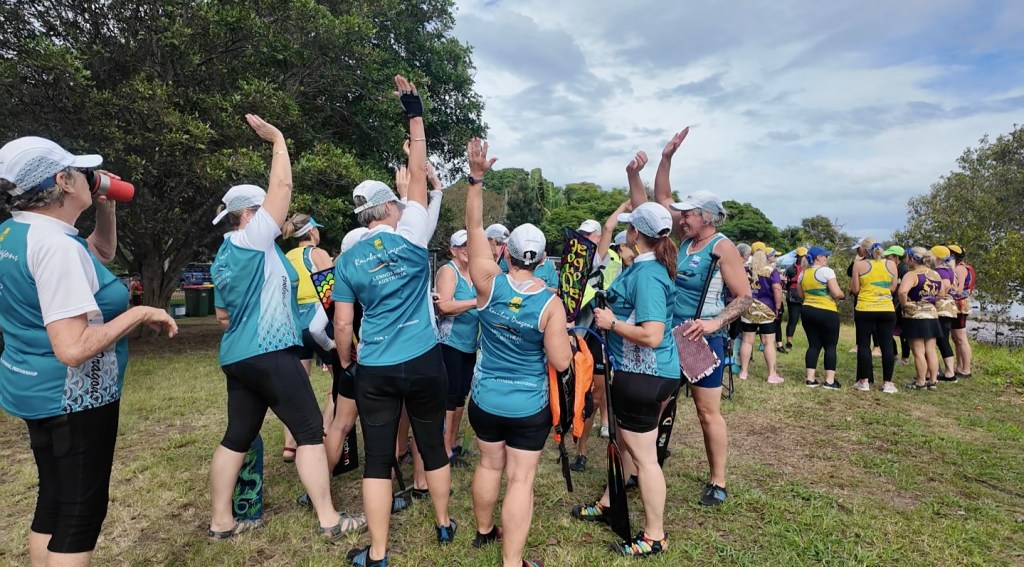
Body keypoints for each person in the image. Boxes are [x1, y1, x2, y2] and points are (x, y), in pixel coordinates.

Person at [0, 136, 178, 567]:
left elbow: (97, 254)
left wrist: (105, 207)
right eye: (81, 173)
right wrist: (139, 315)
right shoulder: (55, 247)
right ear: (63, 181)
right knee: (80, 511)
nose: (91, 179)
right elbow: (73, 348)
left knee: (54, 498)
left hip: (31, 386)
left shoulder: (19, 231)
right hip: (73, 398)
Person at [207, 115, 362, 541]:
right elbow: (283, 190)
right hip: (271, 352)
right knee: (311, 432)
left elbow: (221, 317)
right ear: (252, 215)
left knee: (237, 436)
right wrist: (277, 140)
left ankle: (221, 522)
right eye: (264, 213)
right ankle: (329, 518)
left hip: (237, 356)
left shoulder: (223, 256)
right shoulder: (252, 239)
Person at [332, 76, 454, 567]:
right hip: (424, 358)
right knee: (433, 443)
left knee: (379, 458)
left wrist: (347, 359)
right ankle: (444, 525)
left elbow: (343, 326)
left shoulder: (346, 257)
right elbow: (421, 173)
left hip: (377, 365)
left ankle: (379, 552)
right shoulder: (413, 235)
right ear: (389, 206)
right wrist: (415, 113)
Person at [462, 138, 572, 567]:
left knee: (489, 465)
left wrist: (477, 179)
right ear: (544, 258)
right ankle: (512, 563)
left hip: (485, 399)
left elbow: (473, 229)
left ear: (504, 252)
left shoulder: (488, 282)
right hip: (529, 405)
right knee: (520, 478)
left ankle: (484, 531)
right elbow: (561, 362)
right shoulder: (550, 303)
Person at [630, 129, 753, 507]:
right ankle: (644, 468)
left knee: (706, 412)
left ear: (707, 217)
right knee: (657, 403)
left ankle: (718, 480)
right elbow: (658, 200)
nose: (681, 216)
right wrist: (665, 159)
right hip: (670, 335)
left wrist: (716, 323)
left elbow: (745, 297)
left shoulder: (723, 247)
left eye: (689, 213)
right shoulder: (683, 241)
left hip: (703, 339)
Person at [571, 201, 680, 558]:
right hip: (640, 371)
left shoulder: (648, 275)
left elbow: (652, 334)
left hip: (645, 372)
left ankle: (654, 535)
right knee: (627, 444)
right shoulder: (647, 266)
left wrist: (611, 323)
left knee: (645, 457)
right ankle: (608, 503)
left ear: (635, 233)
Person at [569, 199, 632, 473]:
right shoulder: (595, 262)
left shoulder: (640, 270)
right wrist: (623, 206)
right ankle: (581, 450)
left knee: (618, 394)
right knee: (593, 395)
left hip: (626, 338)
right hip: (597, 335)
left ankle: (627, 449)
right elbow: (607, 228)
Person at [281, 214, 335, 463]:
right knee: (340, 384)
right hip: (319, 321)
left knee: (295, 386)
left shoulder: (285, 257)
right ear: (312, 231)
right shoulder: (318, 253)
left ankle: (290, 445)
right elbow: (331, 292)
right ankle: (325, 432)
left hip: (293, 325)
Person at [434, 229, 479, 469]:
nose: (467, 250)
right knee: (449, 398)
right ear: (453, 250)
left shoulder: (473, 272)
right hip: (449, 343)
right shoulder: (448, 271)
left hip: (469, 344)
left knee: (461, 395)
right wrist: (476, 302)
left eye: (470, 245)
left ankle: (452, 443)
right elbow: (444, 306)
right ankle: (444, 449)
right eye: (462, 246)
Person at [850, 239, 898, 393]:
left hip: (865, 308)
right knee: (887, 345)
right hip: (886, 308)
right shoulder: (891, 264)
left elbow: (855, 289)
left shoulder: (859, 265)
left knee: (864, 345)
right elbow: (892, 288)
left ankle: (864, 382)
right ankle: (888, 383)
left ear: (864, 251)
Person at [796, 246, 845, 389]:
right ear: (818, 258)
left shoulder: (803, 274)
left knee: (813, 345)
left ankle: (810, 379)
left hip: (807, 310)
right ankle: (829, 381)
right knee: (830, 346)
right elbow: (836, 293)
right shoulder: (826, 271)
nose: (827, 258)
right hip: (826, 311)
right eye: (825, 256)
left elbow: (801, 295)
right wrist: (842, 295)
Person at [898, 248, 942, 390]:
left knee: (918, 351)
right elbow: (941, 293)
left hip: (916, 315)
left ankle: (921, 381)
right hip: (932, 314)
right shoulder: (935, 274)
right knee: (931, 349)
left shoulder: (912, 275)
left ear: (912, 259)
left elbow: (903, 291)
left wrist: (905, 304)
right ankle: (933, 381)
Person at [738, 246, 784, 383]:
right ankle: (772, 374)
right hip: (767, 308)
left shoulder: (746, 269)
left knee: (747, 340)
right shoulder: (771, 270)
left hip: (748, 306)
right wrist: (778, 307)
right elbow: (777, 288)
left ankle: (744, 371)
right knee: (768, 342)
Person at [931, 245, 958, 382]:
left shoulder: (940, 271)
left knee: (941, 340)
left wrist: (936, 296)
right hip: (949, 308)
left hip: (942, 308)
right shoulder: (950, 269)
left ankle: (949, 372)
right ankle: (947, 370)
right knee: (943, 339)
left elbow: (946, 285)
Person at [948, 244, 974, 378]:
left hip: (960, 305)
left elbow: (958, 289)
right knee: (956, 338)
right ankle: (959, 366)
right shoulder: (961, 267)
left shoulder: (959, 269)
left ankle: (966, 369)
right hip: (958, 305)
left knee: (961, 338)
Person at [885, 246, 912, 365]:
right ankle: (894, 355)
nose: (886, 259)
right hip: (890, 304)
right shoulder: (888, 269)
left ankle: (905, 358)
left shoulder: (905, 271)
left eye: (889, 257)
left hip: (901, 305)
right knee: (886, 331)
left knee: (904, 333)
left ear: (896, 257)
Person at [783, 247, 807, 351]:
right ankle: (789, 342)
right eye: (801, 255)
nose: (803, 257)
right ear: (797, 256)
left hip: (806, 296)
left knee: (807, 320)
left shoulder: (809, 268)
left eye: (804, 255)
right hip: (793, 297)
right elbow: (786, 284)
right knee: (793, 320)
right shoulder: (790, 269)